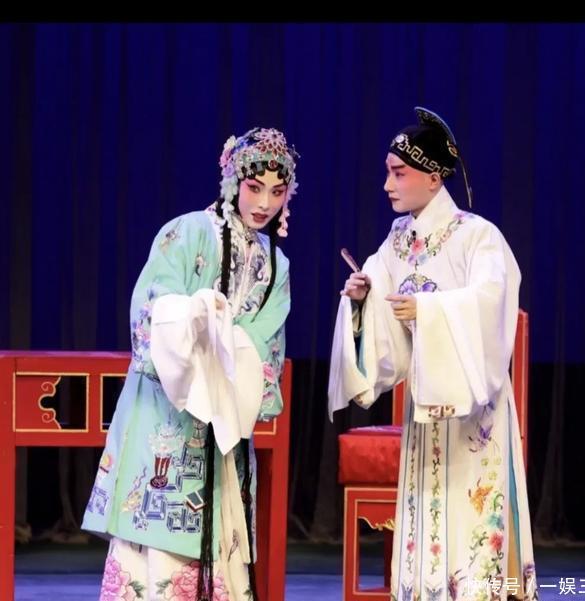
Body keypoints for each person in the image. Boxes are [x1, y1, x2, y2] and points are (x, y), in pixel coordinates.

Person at [328, 107, 538, 601]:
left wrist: (428, 310)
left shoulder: (477, 235)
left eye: (398, 173)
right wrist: (361, 300)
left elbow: (491, 302)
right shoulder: (398, 239)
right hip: (424, 412)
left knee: (473, 519)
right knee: (425, 524)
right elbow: (381, 299)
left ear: (434, 176)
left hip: (474, 415)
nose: (387, 185)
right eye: (388, 172)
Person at [83, 127, 299, 601]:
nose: (265, 203)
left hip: (224, 416)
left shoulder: (276, 265)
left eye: (277, 191)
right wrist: (194, 317)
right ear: (232, 181)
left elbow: (265, 341)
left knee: (219, 536)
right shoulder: (186, 233)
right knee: (158, 538)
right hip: (169, 408)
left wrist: (229, 353)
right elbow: (153, 306)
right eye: (254, 187)